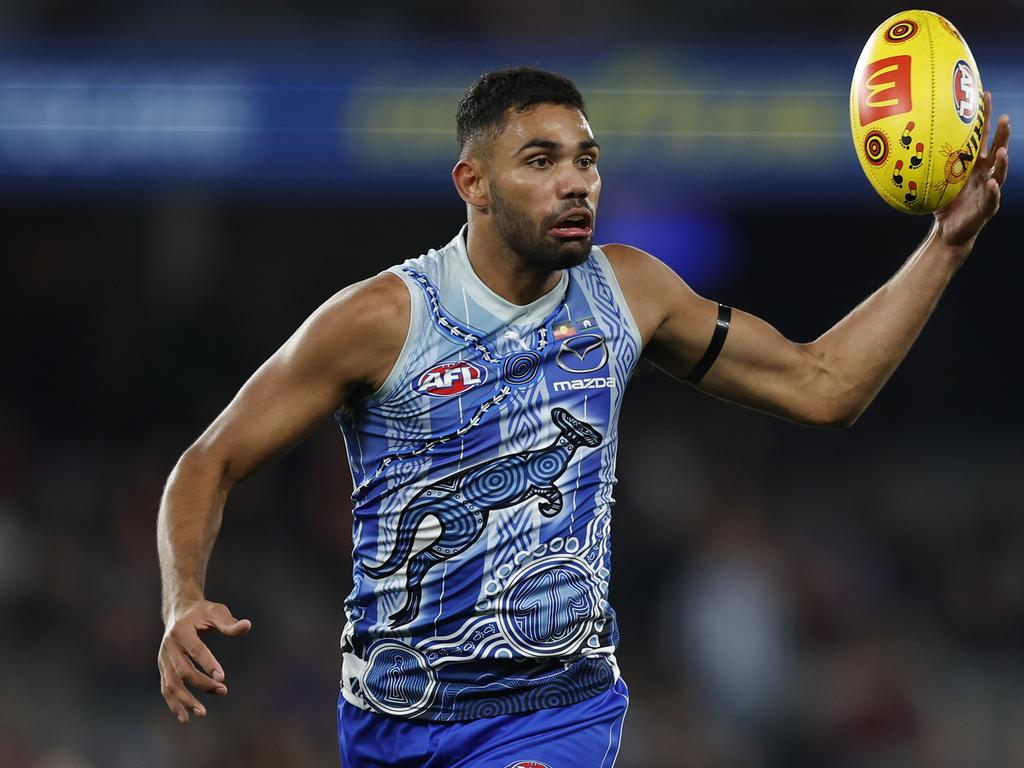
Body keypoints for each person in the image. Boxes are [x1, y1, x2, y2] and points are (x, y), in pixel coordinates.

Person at [157, 66, 1010, 766]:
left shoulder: (629, 293)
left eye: (587, 159)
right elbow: (210, 459)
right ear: (474, 184)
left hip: (554, 714)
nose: (576, 182)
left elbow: (824, 385)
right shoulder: (382, 320)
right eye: (541, 160)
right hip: (389, 717)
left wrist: (946, 246)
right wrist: (181, 596)